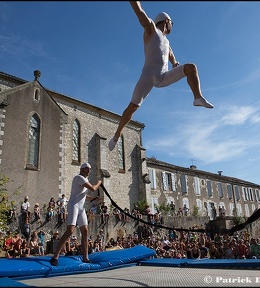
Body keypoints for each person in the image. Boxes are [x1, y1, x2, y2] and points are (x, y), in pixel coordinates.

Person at [108, 1, 214, 151]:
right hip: (147, 76)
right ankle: (116, 136)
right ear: (166, 21)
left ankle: (197, 97)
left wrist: (175, 63)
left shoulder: (167, 41)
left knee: (191, 68)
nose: (172, 26)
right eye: (172, 23)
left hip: (163, 76)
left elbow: (169, 51)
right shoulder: (151, 29)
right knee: (132, 107)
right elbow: (140, 12)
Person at [50, 162, 102, 266]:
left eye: (89, 169)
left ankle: (85, 257)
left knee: (85, 231)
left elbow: (83, 195)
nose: (89, 170)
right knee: (70, 230)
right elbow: (93, 188)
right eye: (87, 169)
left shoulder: (84, 180)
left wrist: (92, 198)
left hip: (81, 208)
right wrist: (99, 182)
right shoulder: (79, 178)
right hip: (73, 205)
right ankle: (55, 256)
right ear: (82, 169)